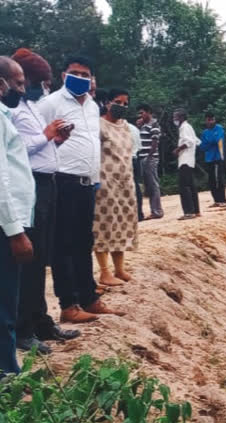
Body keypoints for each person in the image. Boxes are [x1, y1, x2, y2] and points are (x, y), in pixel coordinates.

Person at [37, 55, 123, 322]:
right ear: (64, 75)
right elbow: (38, 138)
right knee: (63, 245)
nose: (81, 78)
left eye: (86, 75)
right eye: (75, 73)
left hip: (87, 183)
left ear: (92, 78)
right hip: (62, 180)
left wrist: (95, 176)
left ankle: (89, 297)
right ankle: (68, 304)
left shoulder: (92, 106)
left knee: (84, 241)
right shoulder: (50, 103)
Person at [10, 48, 81, 352]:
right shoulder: (11, 111)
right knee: (31, 260)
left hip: (47, 185)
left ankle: (40, 320)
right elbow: (18, 149)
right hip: (32, 187)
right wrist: (47, 135)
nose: (43, 87)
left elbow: (39, 144)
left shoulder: (31, 107)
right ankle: (24, 327)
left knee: (42, 259)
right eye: (40, 81)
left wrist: (56, 138)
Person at [0, 56, 36, 376]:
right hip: (4, 227)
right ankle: (7, 373)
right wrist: (15, 231)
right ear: (1, 84)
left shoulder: (5, 116)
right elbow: (0, 178)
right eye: (19, 82)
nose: (22, 89)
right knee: (4, 302)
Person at [93, 88, 138, 285]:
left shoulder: (126, 127)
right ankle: (104, 272)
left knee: (123, 222)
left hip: (125, 181)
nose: (122, 106)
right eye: (118, 102)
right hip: (105, 181)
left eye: (125, 104)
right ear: (108, 102)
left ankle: (119, 269)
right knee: (104, 224)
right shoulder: (98, 125)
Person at [173, 109, 201, 220]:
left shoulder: (184, 127)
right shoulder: (189, 127)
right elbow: (197, 141)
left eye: (175, 117)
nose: (174, 119)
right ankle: (196, 210)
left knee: (184, 186)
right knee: (191, 186)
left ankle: (189, 212)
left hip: (185, 160)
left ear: (181, 118)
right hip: (190, 160)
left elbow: (189, 142)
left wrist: (178, 149)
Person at [137, 104, 163, 219]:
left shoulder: (154, 124)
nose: (140, 115)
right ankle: (154, 210)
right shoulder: (144, 125)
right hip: (143, 158)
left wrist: (149, 157)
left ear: (148, 112)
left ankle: (157, 211)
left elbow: (155, 142)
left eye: (142, 113)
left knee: (153, 184)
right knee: (149, 185)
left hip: (149, 158)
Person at [199, 113, 226, 207]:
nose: (210, 121)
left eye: (212, 119)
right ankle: (216, 200)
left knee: (219, 179)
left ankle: (223, 200)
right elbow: (202, 146)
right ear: (206, 121)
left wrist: (209, 142)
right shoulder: (204, 132)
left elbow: (217, 140)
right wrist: (210, 143)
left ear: (215, 120)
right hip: (209, 158)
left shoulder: (219, 128)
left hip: (218, 157)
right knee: (211, 180)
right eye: (208, 120)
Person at [129, 119, 144, 221]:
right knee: (136, 186)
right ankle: (139, 214)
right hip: (135, 159)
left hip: (126, 160)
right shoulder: (134, 129)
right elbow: (139, 148)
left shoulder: (121, 128)